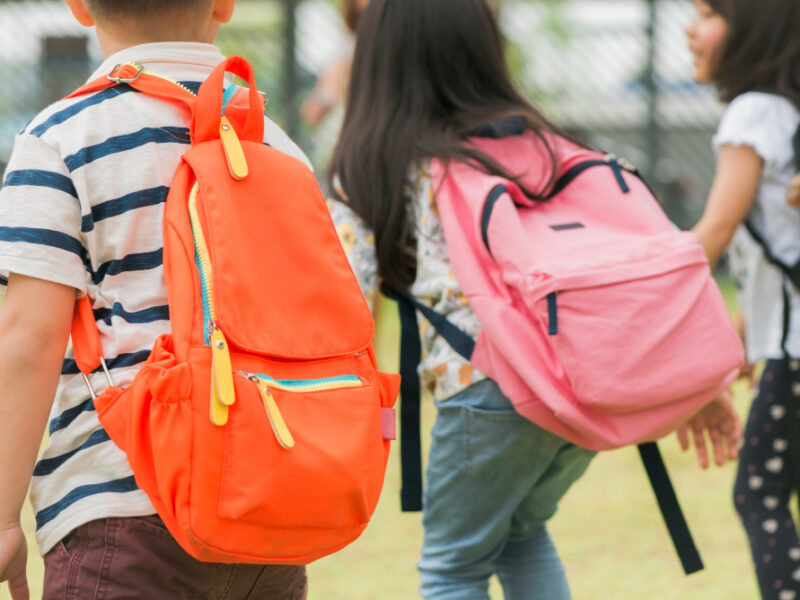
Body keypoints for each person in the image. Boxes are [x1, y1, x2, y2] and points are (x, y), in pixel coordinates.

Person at [327, 0, 738, 597]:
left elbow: (345, 300)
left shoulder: (374, 162)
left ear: (379, 59)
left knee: (453, 566)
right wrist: (694, 382)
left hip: (484, 386)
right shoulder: (547, 144)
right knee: (522, 532)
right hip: (574, 381)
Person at [0, 1, 310, 598]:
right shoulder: (274, 142)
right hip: (266, 505)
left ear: (80, 7)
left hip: (118, 506)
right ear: (225, 3)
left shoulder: (60, 138)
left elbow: (28, 340)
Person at [685, 1, 800, 598]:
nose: (689, 29)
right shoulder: (787, 111)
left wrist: (653, 299)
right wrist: (741, 337)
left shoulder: (754, 112)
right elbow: (777, 254)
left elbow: (717, 230)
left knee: (758, 494)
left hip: (794, 353)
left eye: (705, 14)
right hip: (782, 344)